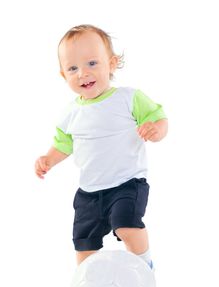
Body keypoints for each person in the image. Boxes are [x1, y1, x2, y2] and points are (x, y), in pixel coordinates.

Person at [35, 24, 168, 267]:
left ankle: (143, 265)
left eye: (92, 64)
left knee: (127, 226)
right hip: (89, 193)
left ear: (112, 63)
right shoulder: (71, 113)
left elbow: (159, 118)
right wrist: (48, 159)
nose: (82, 73)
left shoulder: (128, 98)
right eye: (73, 68)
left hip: (127, 183)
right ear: (64, 75)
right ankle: (88, 281)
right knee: (84, 243)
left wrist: (156, 129)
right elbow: (64, 143)